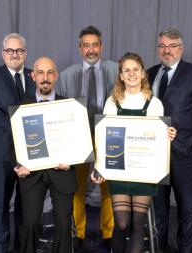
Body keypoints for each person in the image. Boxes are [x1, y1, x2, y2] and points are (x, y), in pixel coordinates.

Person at [91, 52, 177, 253]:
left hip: (144, 172)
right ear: (120, 75)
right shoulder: (112, 103)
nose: (131, 74)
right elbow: (105, 139)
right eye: (126, 70)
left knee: (138, 223)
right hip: (119, 171)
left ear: (143, 73)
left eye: (135, 69)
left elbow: (158, 139)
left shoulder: (154, 103)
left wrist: (168, 135)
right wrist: (98, 168)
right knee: (121, 223)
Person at [147, 29, 192, 253]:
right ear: (158, 49)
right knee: (159, 208)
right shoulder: (150, 73)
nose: (167, 50)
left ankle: (185, 250)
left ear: (181, 48)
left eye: (172, 45)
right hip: (155, 154)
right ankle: (160, 248)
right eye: (162, 46)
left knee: (186, 207)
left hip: (186, 153)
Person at [56, 25, 118, 249]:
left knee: (109, 188)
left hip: (107, 137)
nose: (91, 50)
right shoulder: (65, 75)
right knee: (77, 188)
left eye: (95, 45)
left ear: (101, 47)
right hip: (78, 138)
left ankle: (109, 234)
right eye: (86, 45)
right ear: (79, 48)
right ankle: (79, 234)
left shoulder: (117, 70)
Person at [14, 57, 77, 253]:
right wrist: (18, 165)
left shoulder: (69, 107)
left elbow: (77, 140)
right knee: (31, 222)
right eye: (40, 72)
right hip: (32, 174)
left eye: (50, 72)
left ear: (56, 76)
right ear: (33, 76)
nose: (45, 77)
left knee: (64, 224)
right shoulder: (21, 109)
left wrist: (72, 160)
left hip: (62, 172)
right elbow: (14, 143)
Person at [0, 33, 36, 253]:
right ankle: (0, 248)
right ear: (3, 54)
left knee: (26, 204)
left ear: (25, 53)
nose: (15, 55)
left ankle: (23, 247)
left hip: (30, 152)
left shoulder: (33, 75)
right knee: (1, 204)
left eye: (19, 50)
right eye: (10, 51)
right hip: (2, 150)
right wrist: (19, 127)